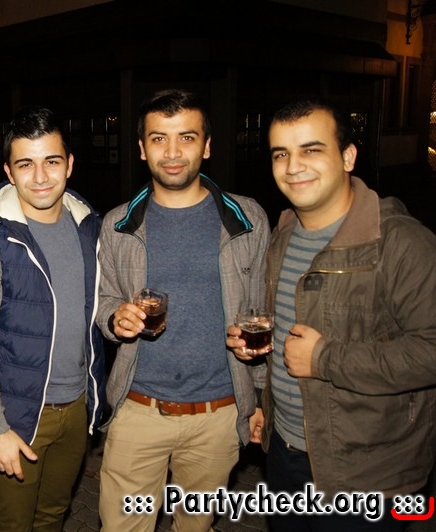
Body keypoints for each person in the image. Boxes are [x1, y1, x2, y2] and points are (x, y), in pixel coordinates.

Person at [228, 99, 436, 531]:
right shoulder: (284, 235)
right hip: (284, 452)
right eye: (281, 154)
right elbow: (293, 334)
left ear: (348, 156)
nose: (293, 166)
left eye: (311, 149)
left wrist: (325, 359)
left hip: (367, 474)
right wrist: (264, 389)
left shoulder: (400, 243)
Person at [96, 89, 270, 532]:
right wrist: (115, 319)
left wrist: (260, 399)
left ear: (207, 146)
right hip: (138, 410)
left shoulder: (248, 219)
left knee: (195, 527)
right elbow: (104, 300)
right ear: (142, 148)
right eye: (159, 139)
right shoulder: (117, 225)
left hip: (219, 415)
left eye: (186, 138)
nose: (172, 153)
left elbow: (262, 312)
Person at [0, 106, 106, 531]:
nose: (40, 176)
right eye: (26, 164)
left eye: (51, 161)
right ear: (9, 172)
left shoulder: (89, 229)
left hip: (75, 408)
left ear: (69, 165)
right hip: (16, 415)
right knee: (14, 524)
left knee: (53, 516)